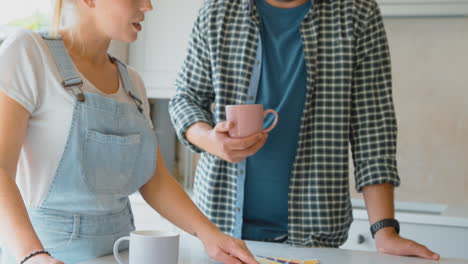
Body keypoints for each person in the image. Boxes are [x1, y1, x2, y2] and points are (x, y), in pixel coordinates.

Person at [169, 0, 440, 260]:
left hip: (313, 240)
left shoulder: (357, 12)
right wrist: (209, 140)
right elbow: (186, 98)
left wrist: (385, 231)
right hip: (220, 232)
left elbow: (373, 128)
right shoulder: (217, 11)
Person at [0, 0, 259, 263]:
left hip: (121, 253)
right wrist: (33, 256)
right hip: (45, 253)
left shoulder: (132, 82)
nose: (148, 6)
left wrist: (211, 235)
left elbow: (155, 180)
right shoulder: (28, 52)